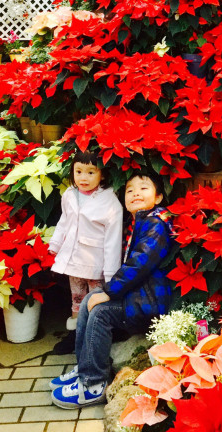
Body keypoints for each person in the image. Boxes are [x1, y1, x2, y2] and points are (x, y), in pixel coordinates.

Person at [49, 170, 172, 408]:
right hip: (137, 296)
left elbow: (140, 263)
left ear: (158, 197)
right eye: (129, 190)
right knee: (89, 300)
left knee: (101, 311)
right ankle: (85, 368)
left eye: (143, 188)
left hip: (149, 302)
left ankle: (93, 384)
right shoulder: (137, 223)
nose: (136, 192)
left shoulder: (156, 225)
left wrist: (109, 291)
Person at [48, 150, 123, 354]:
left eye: (91, 172)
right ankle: (75, 336)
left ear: (103, 175)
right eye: (79, 171)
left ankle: (93, 340)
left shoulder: (110, 201)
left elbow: (113, 240)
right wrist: (55, 244)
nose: (83, 177)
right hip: (74, 259)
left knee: (95, 301)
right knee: (77, 299)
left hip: (95, 262)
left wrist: (111, 273)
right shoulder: (70, 195)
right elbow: (64, 221)